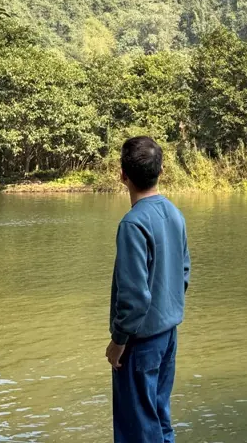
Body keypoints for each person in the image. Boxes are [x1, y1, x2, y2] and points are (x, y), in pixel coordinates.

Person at [106, 136, 191, 443]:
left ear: (122, 175)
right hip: (168, 335)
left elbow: (133, 296)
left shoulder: (133, 223)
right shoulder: (173, 213)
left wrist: (119, 340)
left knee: (137, 427)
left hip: (139, 343)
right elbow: (183, 272)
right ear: (162, 170)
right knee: (158, 416)